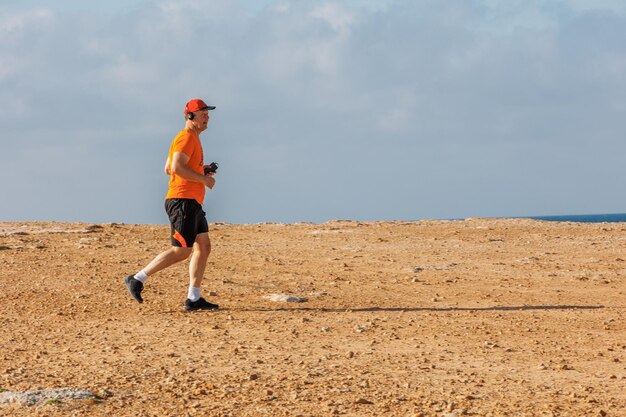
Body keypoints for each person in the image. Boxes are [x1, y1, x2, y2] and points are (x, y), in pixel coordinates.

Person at [124, 98, 220, 311]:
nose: (207, 116)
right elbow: (176, 167)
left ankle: (193, 298)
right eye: (202, 112)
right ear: (190, 116)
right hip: (182, 201)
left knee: (203, 247)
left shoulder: (192, 138)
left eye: (207, 112)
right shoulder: (186, 138)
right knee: (182, 251)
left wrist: (201, 170)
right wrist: (203, 179)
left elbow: (168, 167)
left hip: (192, 201)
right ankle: (137, 278)